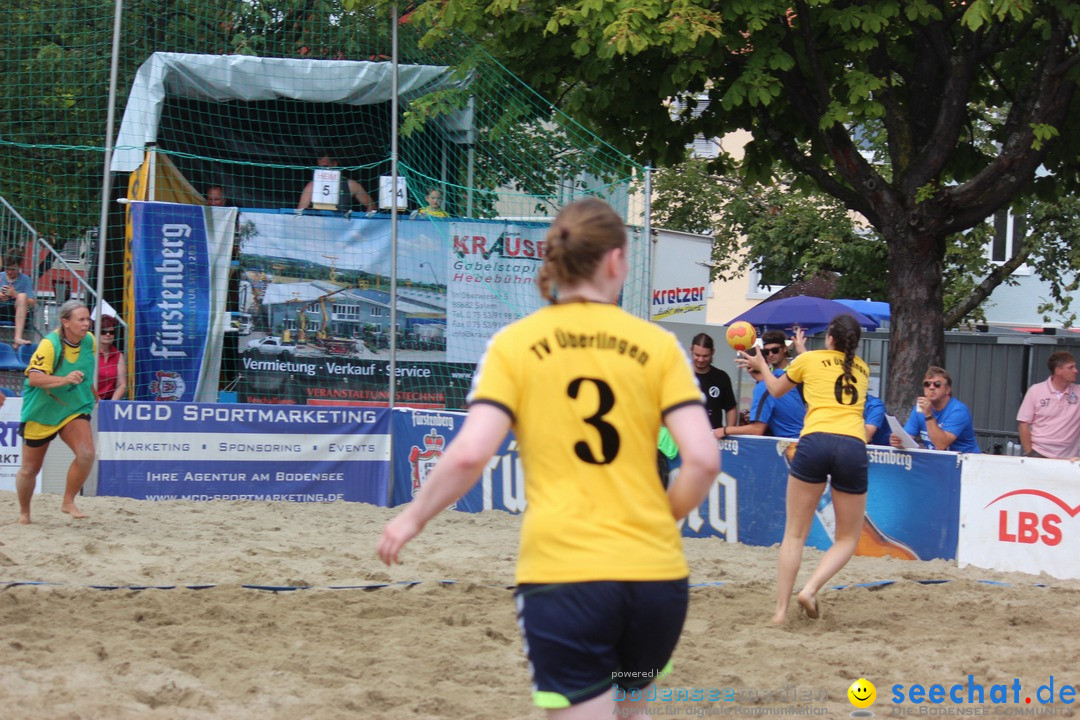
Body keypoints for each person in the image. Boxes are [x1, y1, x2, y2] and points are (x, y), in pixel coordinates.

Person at [377, 198, 718, 718]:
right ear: (616, 262)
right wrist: (660, 518)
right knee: (633, 710)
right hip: (654, 585)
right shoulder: (659, 346)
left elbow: (469, 454)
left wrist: (412, 517)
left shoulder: (514, 345)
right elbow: (703, 461)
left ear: (557, 262)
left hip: (568, 579)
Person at [736, 314, 869, 624]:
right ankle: (810, 589)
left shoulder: (809, 361)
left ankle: (780, 613)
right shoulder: (861, 369)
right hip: (851, 444)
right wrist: (800, 350)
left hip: (815, 441)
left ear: (830, 338)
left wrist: (762, 365)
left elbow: (777, 388)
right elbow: (827, 369)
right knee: (847, 539)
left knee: (794, 535)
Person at [15, 299, 96, 524]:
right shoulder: (50, 345)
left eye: (88, 318)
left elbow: (85, 370)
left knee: (87, 454)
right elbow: (34, 377)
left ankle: (68, 501)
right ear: (65, 322)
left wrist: (93, 392)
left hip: (73, 407)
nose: (86, 323)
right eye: (81, 319)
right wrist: (64, 380)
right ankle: (24, 513)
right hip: (42, 410)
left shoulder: (89, 341)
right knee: (30, 469)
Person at [890, 366, 980, 453]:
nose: (931, 387)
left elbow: (941, 445)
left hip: (966, 463)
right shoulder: (920, 409)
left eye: (937, 384)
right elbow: (907, 438)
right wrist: (898, 442)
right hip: (939, 461)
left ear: (947, 390)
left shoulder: (958, 411)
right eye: (927, 384)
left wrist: (928, 415)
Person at [1016, 351, 1080, 458]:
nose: (1076, 371)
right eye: (1071, 367)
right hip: (1039, 453)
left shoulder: (1078, 391)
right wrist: (1030, 453)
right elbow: (1023, 424)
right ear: (1058, 370)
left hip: (1070, 458)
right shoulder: (1035, 391)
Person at [720, 365, 805, 439]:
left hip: (793, 444)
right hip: (808, 436)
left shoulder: (763, 387)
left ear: (748, 369)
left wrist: (725, 430)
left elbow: (756, 430)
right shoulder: (782, 378)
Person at [689, 332, 737, 437]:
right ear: (691, 350)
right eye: (697, 355)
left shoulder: (721, 377)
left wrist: (728, 432)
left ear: (713, 352)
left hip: (714, 439)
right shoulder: (679, 375)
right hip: (683, 439)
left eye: (705, 356)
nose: (701, 360)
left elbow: (731, 408)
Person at [296, 153, 376, 213]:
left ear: (334, 164)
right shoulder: (312, 185)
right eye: (321, 167)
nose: (324, 170)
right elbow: (300, 211)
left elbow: (371, 206)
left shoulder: (351, 185)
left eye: (326, 167)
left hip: (343, 230)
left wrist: (362, 225)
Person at [0, 249, 35, 347]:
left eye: (13, 269)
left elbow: (32, 303)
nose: (9, 272)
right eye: (7, 268)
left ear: (19, 267)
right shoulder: (0, 277)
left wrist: (15, 294)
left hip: (16, 311)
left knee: (22, 296)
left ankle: (18, 338)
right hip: (2, 309)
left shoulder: (25, 280)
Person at [96, 314, 126, 401]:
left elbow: (122, 385)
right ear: (97, 333)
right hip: (89, 401)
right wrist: (98, 402)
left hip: (110, 401)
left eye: (111, 332)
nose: (108, 334)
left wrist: (111, 404)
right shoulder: (90, 353)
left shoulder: (118, 355)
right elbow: (86, 384)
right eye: (103, 332)